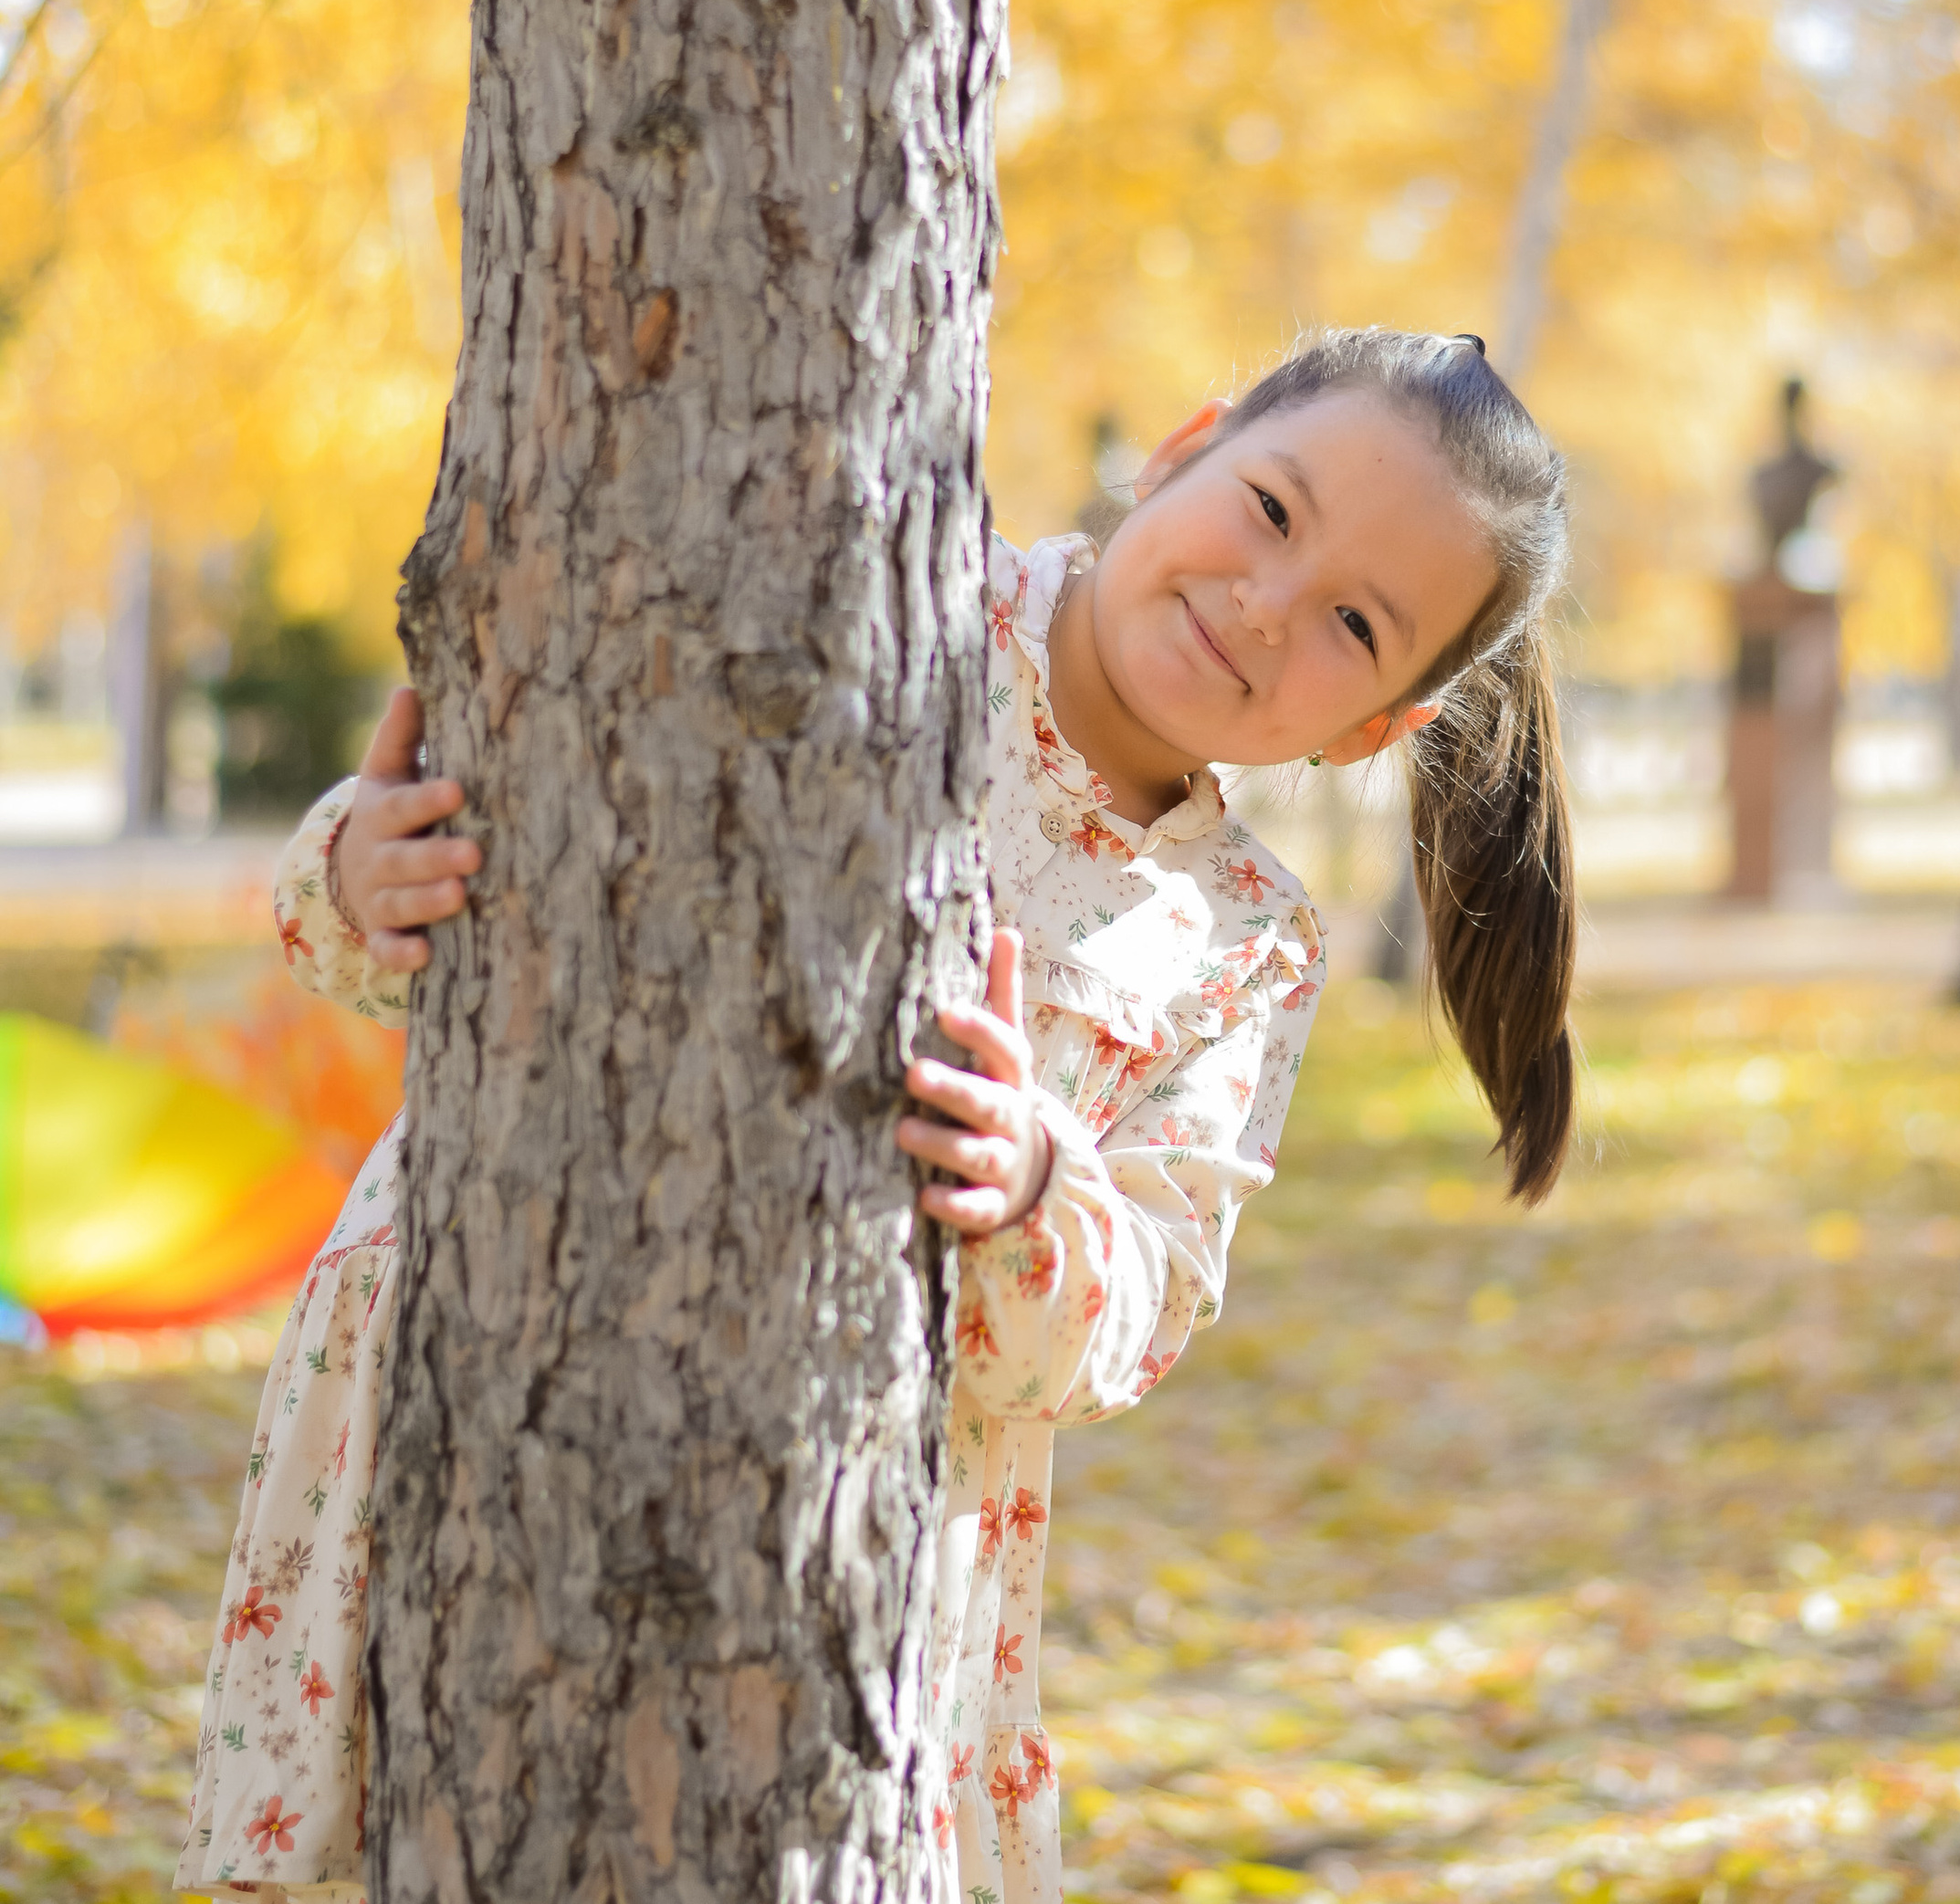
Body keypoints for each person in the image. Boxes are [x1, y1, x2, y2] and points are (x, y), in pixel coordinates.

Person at [177, 326, 1578, 1904]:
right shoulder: (880, 596)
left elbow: (1141, 1308)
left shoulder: (1242, 944)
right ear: (1187, 446)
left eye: (1353, 624)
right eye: (1270, 510)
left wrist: (1036, 1185)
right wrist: (367, 872)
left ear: (1374, 727)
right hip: (504, 1349)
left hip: (848, 1519)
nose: (1267, 604)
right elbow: (505, 888)